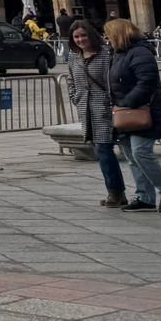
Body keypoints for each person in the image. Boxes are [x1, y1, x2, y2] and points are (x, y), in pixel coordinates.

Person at [102, 18, 161, 213]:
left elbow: (147, 81)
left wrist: (127, 102)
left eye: (109, 33)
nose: (106, 38)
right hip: (125, 111)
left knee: (141, 152)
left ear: (119, 34)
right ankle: (145, 196)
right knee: (131, 155)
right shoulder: (117, 54)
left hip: (145, 109)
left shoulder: (140, 52)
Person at [65, 21, 124, 208]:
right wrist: (74, 96)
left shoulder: (105, 54)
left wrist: (111, 101)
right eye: (76, 37)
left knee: (105, 151)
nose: (81, 39)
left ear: (91, 35)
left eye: (83, 35)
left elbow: (113, 79)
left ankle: (115, 192)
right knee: (102, 151)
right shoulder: (74, 56)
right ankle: (116, 192)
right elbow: (70, 78)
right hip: (85, 109)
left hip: (104, 108)